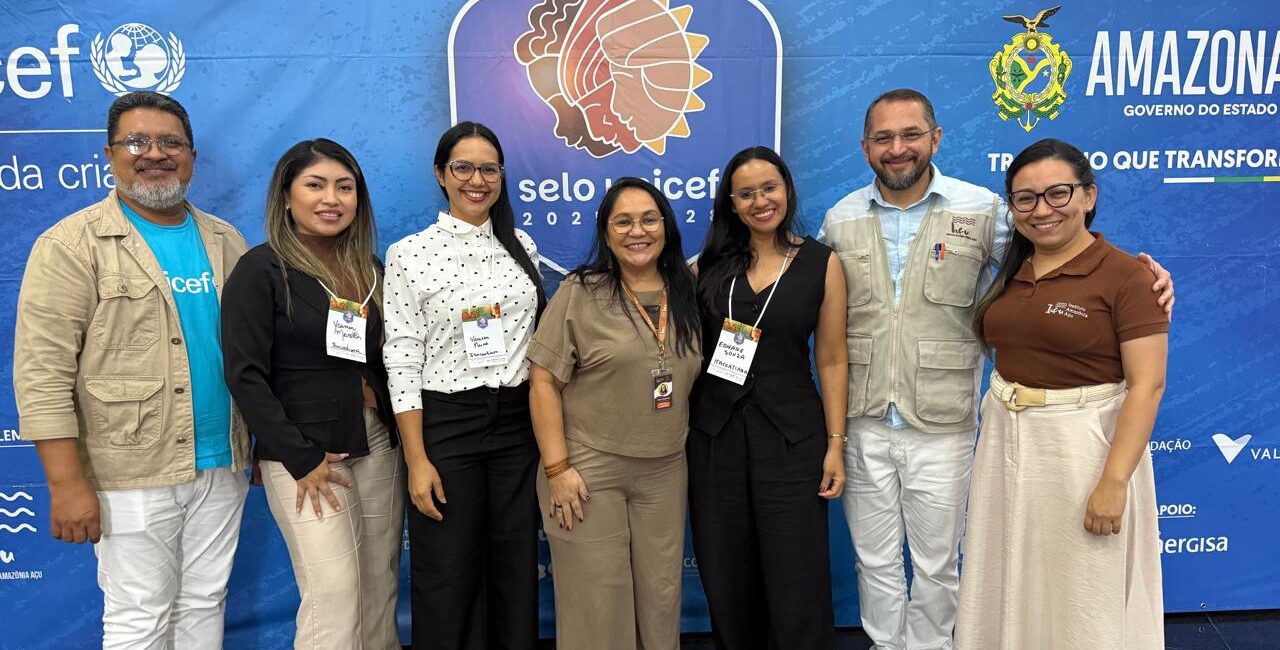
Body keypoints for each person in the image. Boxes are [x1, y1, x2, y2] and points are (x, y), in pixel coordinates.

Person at [820, 88, 1174, 650]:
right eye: (883, 138)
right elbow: (797, 284)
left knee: (938, 563)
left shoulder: (983, 209)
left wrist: (1145, 276)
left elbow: (1061, 243)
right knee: (875, 560)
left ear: (936, 139)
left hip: (944, 422)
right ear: (865, 147)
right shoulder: (840, 219)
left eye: (911, 134)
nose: (898, 148)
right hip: (864, 419)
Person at [13, 91, 250, 648]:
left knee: (205, 602)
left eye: (171, 142)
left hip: (222, 461)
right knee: (139, 617)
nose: (155, 153)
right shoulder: (71, 245)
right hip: (128, 469)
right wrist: (66, 483)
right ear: (110, 154)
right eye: (137, 142)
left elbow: (251, 354)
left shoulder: (226, 240)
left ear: (191, 156)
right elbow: (42, 373)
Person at [955, 138, 1167, 649]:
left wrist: (1113, 482)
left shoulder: (1128, 277)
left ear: (1088, 196)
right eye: (1025, 198)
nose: (1042, 209)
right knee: (1007, 576)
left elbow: (1147, 385)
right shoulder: (1013, 270)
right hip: (1006, 441)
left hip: (1082, 450)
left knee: (1082, 590)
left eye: (1058, 193)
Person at [222, 139, 404, 649]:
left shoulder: (370, 268)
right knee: (335, 595)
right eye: (315, 185)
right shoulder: (260, 270)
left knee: (380, 584)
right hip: (306, 453)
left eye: (345, 187)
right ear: (286, 196)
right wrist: (299, 457)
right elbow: (244, 375)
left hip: (376, 441)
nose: (332, 199)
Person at [382, 121, 547, 650]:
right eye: (463, 167)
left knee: (515, 566)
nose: (477, 180)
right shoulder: (409, 254)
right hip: (447, 426)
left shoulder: (521, 245)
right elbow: (401, 357)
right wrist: (417, 459)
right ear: (441, 174)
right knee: (446, 572)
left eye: (489, 169)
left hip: (517, 424)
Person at [527, 178, 702, 650]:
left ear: (666, 226)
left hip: (665, 470)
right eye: (623, 221)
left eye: (648, 219)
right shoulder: (580, 292)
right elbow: (543, 382)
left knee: (660, 602)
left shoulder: (689, 289)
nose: (637, 231)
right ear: (606, 232)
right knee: (598, 608)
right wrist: (558, 469)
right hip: (588, 470)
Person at [689, 146, 848, 649]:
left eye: (769, 188)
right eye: (746, 193)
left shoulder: (822, 263)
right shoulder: (706, 266)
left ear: (787, 190)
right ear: (731, 204)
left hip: (792, 440)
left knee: (797, 575)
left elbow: (832, 359)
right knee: (727, 574)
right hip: (716, 440)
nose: (760, 201)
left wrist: (836, 444)